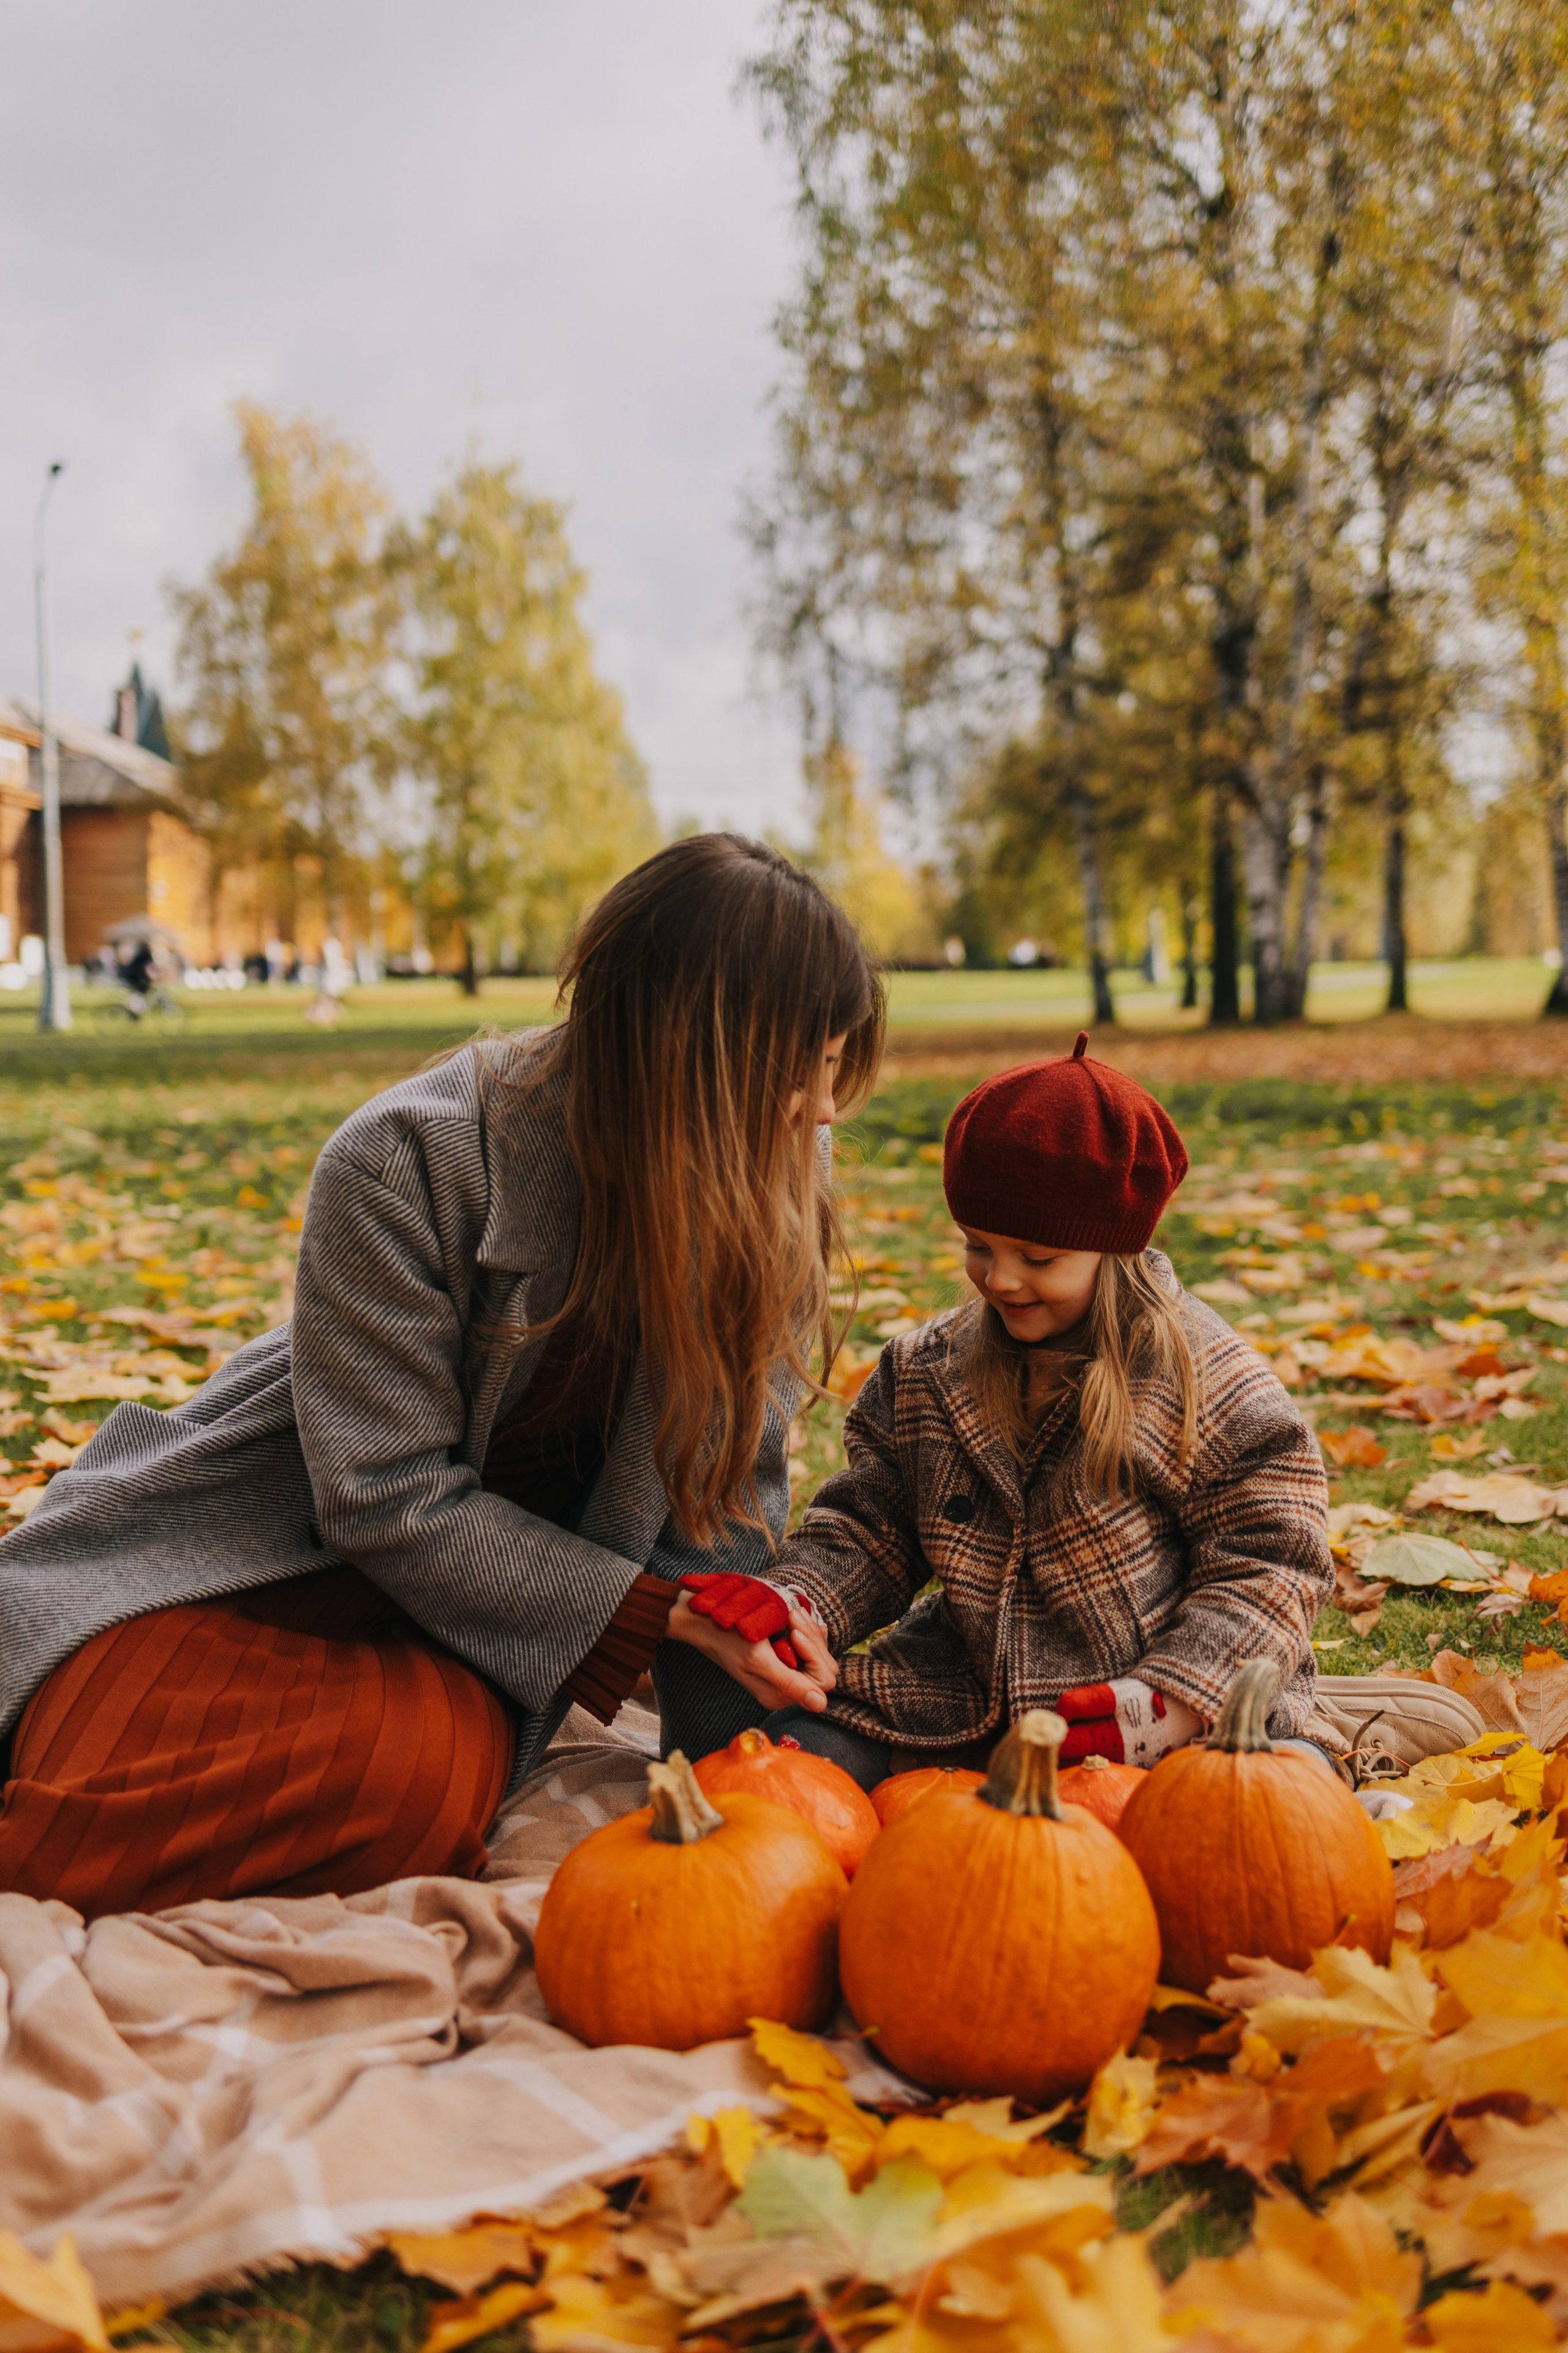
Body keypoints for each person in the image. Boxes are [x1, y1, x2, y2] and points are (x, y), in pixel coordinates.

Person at [0, 836, 870, 1917]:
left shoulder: (773, 1162)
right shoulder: (408, 1160)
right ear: (699, 1065)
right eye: (809, 1073)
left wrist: (740, 1757)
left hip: (479, 1623)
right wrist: (651, 1620)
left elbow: (724, 1506)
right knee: (102, 1743)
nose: (826, 1110)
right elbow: (376, 1495)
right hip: (265, 1559)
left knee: (417, 1791)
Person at [745, 1037, 1350, 1791]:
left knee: (1261, 1800)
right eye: (977, 1246)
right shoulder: (925, 1373)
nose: (999, 1279)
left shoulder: (1208, 1382)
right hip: (967, 1695)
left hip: (1154, 1700)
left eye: (1037, 1258)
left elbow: (1273, 1561)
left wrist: (1178, 1697)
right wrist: (802, 1597)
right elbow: (872, 1524)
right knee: (786, 1765)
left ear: (1114, 1249)